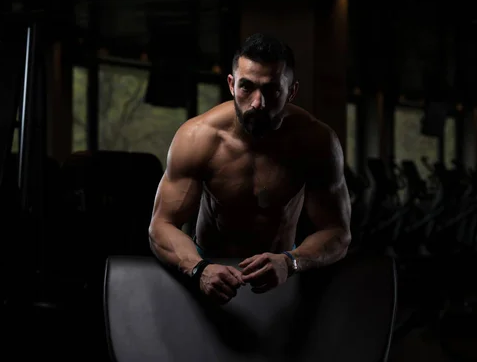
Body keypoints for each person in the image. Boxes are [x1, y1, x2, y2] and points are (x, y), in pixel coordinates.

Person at [148, 33, 351, 305]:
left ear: (292, 91)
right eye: (247, 87)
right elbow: (161, 225)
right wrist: (199, 268)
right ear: (231, 85)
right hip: (209, 264)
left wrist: (291, 263)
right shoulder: (198, 137)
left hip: (280, 269)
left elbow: (338, 232)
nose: (258, 103)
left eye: (271, 90)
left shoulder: (316, 142)